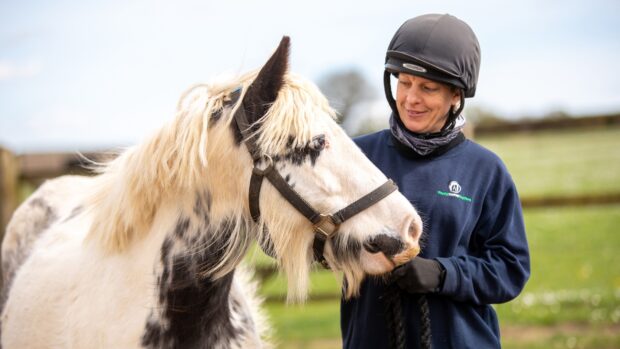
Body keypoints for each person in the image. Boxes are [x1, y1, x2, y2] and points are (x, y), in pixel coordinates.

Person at [341, 14, 530, 348]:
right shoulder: (356, 156)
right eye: (404, 82)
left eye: (427, 88)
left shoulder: (486, 170)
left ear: (456, 95)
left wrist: (443, 275)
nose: (411, 98)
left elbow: (510, 268)